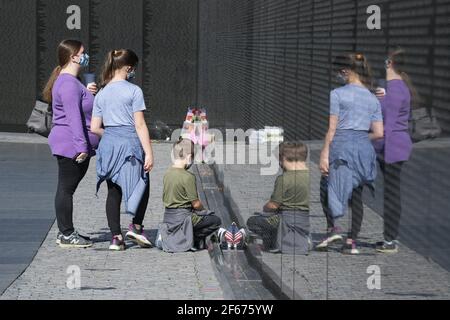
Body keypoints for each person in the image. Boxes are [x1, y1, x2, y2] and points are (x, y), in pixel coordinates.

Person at [319, 53, 384, 255]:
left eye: (338, 72)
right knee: (357, 196)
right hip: (364, 149)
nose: (337, 76)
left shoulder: (337, 94)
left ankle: (332, 228)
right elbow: (379, 132)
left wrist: (324, 153)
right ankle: (351, 241)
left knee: (327, 186)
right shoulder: (373, 98)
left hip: (341, 146)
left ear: (345, 71)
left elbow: (332, 128)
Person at [91, 49, 153, 251]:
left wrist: (111, 136)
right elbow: (140, 125)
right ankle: (136, 226)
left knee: (113, 190)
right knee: (142, 182)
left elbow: (94, 127)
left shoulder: (101, 92)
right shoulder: (134, 91)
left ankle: (116, 238)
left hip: (109, 144)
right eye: (134, 67)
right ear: (128, 67)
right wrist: (149, 153)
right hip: (130, 144)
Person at [44, 39, 99, 248]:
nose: (85, 55)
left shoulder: (71, 82)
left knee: (67, 188)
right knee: (66, 189)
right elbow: (74, 118)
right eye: (82, 53)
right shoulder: (68, 83)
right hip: (71, 146)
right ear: (73, 56)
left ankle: (67, 231)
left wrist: (88, 93)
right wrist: (81, 147)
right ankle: (66, 233)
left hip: (71, 144)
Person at [373, 48, 414, 253]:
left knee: (391, 194)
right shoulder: (394, 87)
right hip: (393, 146)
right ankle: (390, 237)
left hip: (392, 147)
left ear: (389, 63)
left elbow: (387, 125)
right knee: (390, 192)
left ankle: (390, 239)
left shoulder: (396, 89)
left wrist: (372, 143)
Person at [157, 138, 221, 252]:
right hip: (183, 218)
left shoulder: (167, 173)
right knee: (215, 221)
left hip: (169, 218)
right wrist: (205, 211)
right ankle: (193, 238)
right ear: (188, 157)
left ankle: (174, 237)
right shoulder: (188, 177)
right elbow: (196, 204)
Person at [247, 141, 311, 255]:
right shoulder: (307, 176)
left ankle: (270, 243)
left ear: (284, 158)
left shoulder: (284, 179)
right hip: (303, 219)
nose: (279, 163)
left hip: (286, 218)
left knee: (253, 221)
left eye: (279, 160)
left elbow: (273, 205)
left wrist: (265, 208)